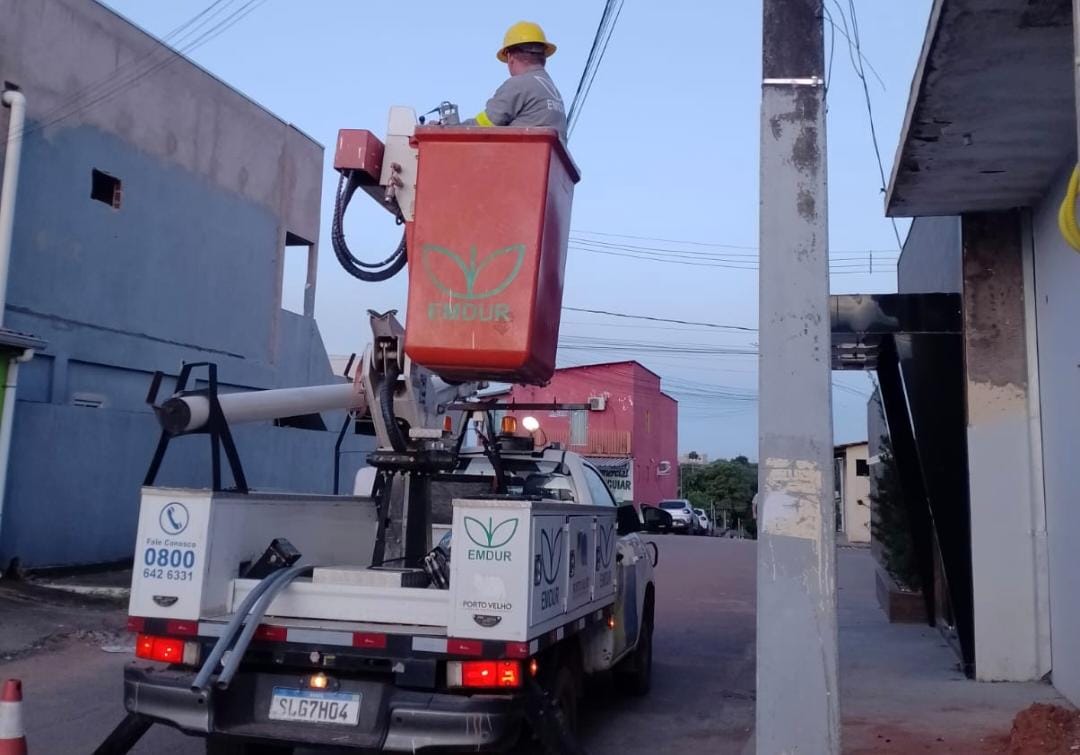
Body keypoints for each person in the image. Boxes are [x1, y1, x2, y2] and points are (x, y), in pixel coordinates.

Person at [463, 21, 567, 140]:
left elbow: (484, 125)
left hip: (523, 151)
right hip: (541, 151)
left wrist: (451, 128)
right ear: (544, 57)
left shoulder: (519, 85)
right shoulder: (551, 90)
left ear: (510, 57)